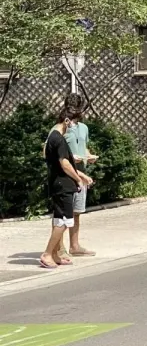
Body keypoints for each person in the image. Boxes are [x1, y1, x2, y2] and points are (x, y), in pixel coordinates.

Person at [40, 104, 93, 269]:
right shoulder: (58, 138)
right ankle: (47, 253)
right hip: (62, 185)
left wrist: (81, 175)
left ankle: (55, 255)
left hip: (59, 184)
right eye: (74, 122)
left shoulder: (54, 137)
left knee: (59, 218)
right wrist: (78, 179)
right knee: (64, 221)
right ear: (67, 120)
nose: (74, 126)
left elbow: (64, 162)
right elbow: (65, 164)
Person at [60, 93, 97, 259]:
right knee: (63, 213)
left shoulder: (83, 128)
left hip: (82, 173)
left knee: (77, 212)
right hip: (66, 174)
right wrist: (69, 157)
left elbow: (84, 147)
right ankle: (59, 248)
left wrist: (88, 156)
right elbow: (56, 151)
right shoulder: (62, 127)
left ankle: (74, 246)